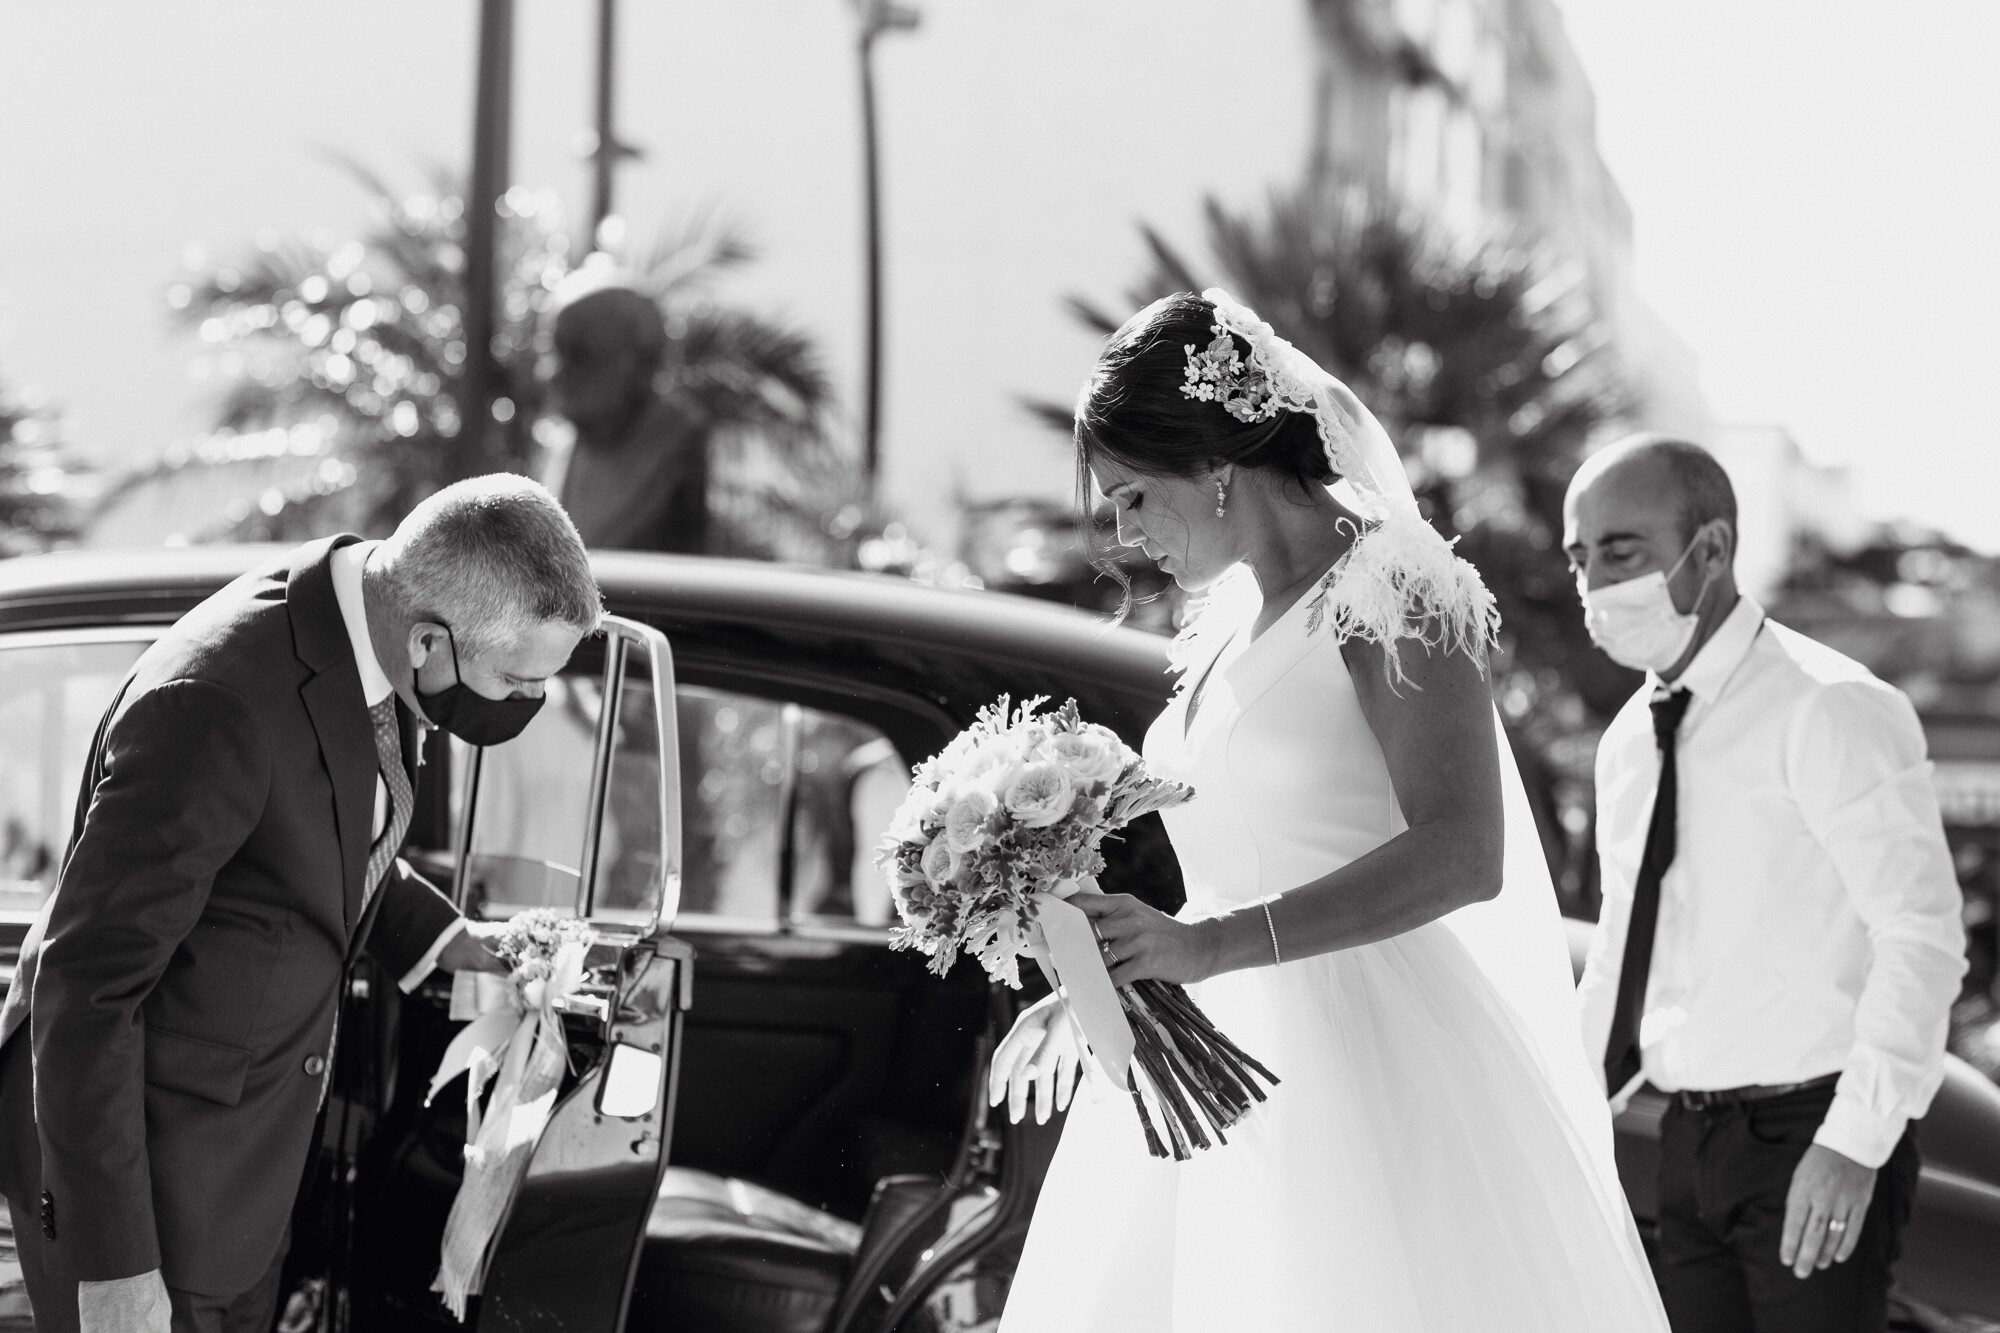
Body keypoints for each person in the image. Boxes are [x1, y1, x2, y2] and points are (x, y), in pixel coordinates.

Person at [990, 291, 1669, 1331]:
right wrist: (1114, 976)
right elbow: (1235, 858)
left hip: (1373, 1063)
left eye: (1131, 497)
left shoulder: (1391, 586)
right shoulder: (1225, 619)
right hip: (1220, 1056)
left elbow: (1461, 853)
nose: (1123, 537)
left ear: (1214, 467)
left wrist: (1207, 945)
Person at [0, 474, 603, 1333]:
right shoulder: (216, 702)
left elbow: (311, 837)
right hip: (151, 1203)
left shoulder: (368, 631)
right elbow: (83, 990)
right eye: (516, 681)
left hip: (246, 1178)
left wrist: (455, 940)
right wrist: (115, 1270)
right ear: (431, 643)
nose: (528, 705)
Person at [1567, 436, 1965, 1333]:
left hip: (1810, 1136)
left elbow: (1923, 937)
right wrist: (1568, 1114)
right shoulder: (1630, 741)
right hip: (1686, 1142)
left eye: (1621, 550)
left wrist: (1852, 1146)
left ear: (1711, 550)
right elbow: (1626, 948)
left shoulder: (1828, 705)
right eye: (1580, 556)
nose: (1593, 581)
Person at [544, 274, 711, 554]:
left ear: (636, 362)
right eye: (556, 352)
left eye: (579, 353)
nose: (556, 373)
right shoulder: (561, 443)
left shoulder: (675, 438)